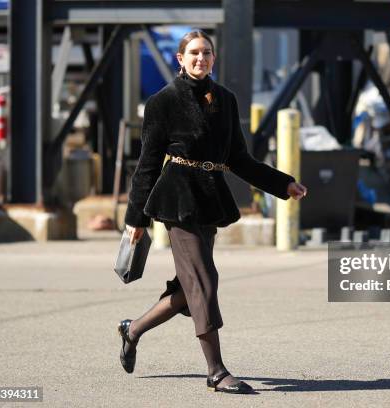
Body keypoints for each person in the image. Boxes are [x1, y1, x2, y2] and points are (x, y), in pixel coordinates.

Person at [118, 30, 307, 394]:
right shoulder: (162, 102)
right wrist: (135, 221)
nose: (200, 58)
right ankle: (216, 371)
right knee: (204, 280)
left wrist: (283, 184)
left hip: (209, 200)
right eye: (193, 53)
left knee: (191, 289)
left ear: (213, 58)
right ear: (180, 58)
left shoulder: (225, 99)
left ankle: (133, 329)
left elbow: (239, 159)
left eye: (206, 52)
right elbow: (146, 166)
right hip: (177, 199)